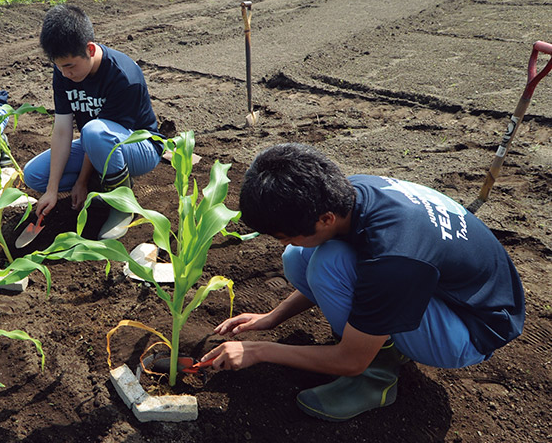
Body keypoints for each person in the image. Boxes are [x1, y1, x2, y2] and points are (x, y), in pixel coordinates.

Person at [203, 143, 525, 422]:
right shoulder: (348, 193)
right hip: (451, 289)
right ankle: (376, 338)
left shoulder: (394, 257)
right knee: (298, 258)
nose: (280, 242)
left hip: (472, 330)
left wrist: (258, 351)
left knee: (328, 265)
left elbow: (350, 360)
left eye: (284, 234)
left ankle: (376, 380)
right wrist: (272, 318)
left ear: (325, 219)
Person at [23, 4, 163, 240]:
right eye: (59, 67)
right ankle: (103, 183)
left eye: (70, 66)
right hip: (97, 142)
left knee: (94, 132)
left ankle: (122, 204)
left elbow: (99, 137)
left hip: (140, 146)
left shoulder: (123, 76)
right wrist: (52, 190)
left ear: (89, 49)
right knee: (34, 175)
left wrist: (81, 181)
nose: (66, 74)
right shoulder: (63, 71)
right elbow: (61, 131)